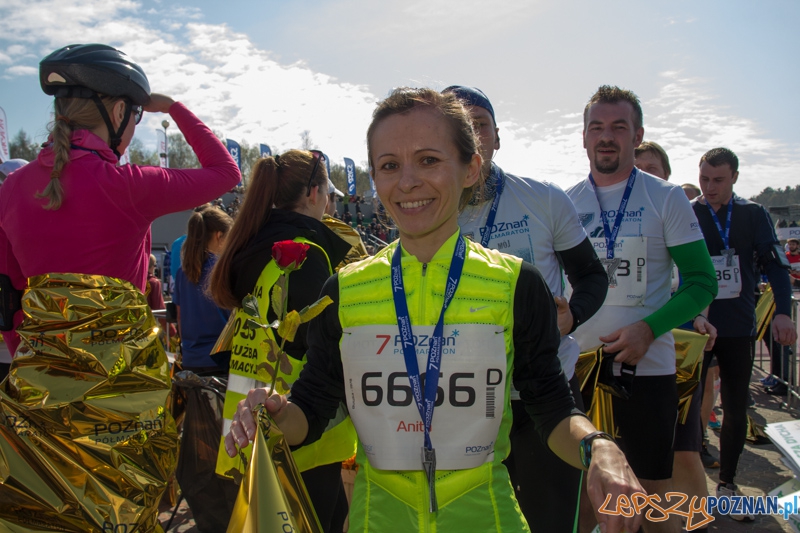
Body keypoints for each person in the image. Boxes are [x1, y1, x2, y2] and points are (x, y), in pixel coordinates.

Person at [225, 87, 643, 533]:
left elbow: (552, 406)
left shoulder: (516, 284)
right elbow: (310, 411)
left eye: (428, 160)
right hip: (376, 521)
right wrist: (271, 416)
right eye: (389, 166)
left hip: (487, 519)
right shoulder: (344, 291)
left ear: (470, 169)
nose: (407, 182)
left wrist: (599, 448)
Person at [0, 43, 240, 531]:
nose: (132, 134)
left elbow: (8, 300)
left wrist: (40, 361)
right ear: (115, 111)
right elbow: (226, 172)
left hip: (38, 388)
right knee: (122, 513)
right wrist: (173, 108)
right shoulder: (126, 183)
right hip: (119, 391)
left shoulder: (11, 188)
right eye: (133, 118)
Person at [445, 85, 608, 532]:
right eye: (459, 125)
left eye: (480, 124)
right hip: (460, 402)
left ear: (497, 136)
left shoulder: (545, 199)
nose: (473, 137)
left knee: (550, 522)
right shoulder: (426, 212)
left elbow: (593, 277)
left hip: (544, 398)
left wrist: (571, 316)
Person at [566, 85, 717, 533]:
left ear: (638, 135)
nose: (607, 137)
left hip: (645, 371)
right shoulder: (566, 202)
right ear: (585, 137)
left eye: (619, 127)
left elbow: (701, 282)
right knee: (585, 496)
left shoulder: (665, 198)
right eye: (598, 128)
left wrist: (648, 330)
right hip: (580, 370)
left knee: (651, 501)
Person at [209, 149, 355, 533]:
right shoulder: (304, 253)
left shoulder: (255, 247)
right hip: (300, 422)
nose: (328, 202)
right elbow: (323, 342)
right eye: (327, 193)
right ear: (313, 192)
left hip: (251, 416)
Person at [692, 147, 796, 520]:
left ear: (734, 177)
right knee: (686, 406)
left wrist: (784, 312)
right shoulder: (692, 213)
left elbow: (778, 267)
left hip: (737, 328)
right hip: (696, 327)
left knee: (736, 408)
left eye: (718, 180)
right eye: (704, 179)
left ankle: (728, 484)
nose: (709, 187)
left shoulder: (753, 214)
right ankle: (690, 481)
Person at [635, 139, 719, 521]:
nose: (643, 177)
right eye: (639, 169)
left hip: (679, 344)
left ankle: (697, 525)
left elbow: (697, 279)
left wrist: (699, 315)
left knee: (685, 453)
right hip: (627, 352)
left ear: (666, 175)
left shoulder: (673, 210)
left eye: (651, 169)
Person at [174, 206, 232, 374]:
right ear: (219, 235)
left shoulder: (182, 272)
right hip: (221, 358)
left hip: (191, 359)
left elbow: (179, 317)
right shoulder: (222, 269)